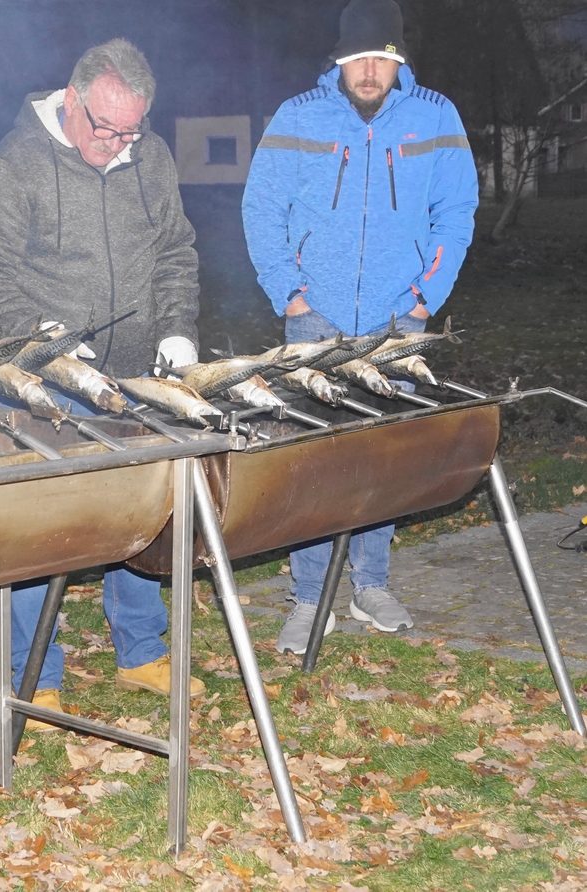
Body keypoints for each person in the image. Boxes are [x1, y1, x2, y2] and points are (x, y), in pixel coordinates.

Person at [0, 38, 205, 726]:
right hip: (47, 378)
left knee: (137, 510)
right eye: (105, 128)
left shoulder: (147, 157)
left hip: (137, 373)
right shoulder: (15, 166)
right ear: (72, 101)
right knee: (47, 527)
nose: (117, 144)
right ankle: (34, 672)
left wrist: (177, 330)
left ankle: (141, 652)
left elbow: (176, 252)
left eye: (131, 130)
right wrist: (45, 338)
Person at [241, 0, 479, 655]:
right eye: (357, 59)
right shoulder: (297, 117)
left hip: (395, 326)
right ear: (338, 61)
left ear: (398, 59)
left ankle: (371, 583)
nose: (369, 70)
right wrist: (289, 295)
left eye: (382, 57)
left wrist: (423, 300)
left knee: (381, 460)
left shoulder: (435, 116)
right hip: (312, 324)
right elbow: (262, 208)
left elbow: (455, 212)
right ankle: (309, 597)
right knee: (316, 462)